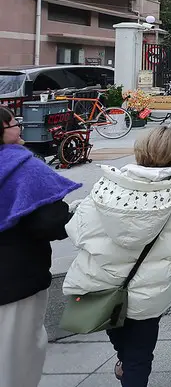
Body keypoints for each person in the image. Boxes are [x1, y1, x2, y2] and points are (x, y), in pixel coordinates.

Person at [64, 128, 171, 387]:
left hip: (103, 283)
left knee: (117, 331)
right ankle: (129, 366)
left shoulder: (108, 184)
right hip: (151, 289)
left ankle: (124, 361)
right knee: (140, 353)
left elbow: (77, 230)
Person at [0, 108, 79, 387]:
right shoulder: (22, 166)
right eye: (14, 123)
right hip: (16, 280)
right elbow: (49, 223)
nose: (19, 128)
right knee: (17, 357)